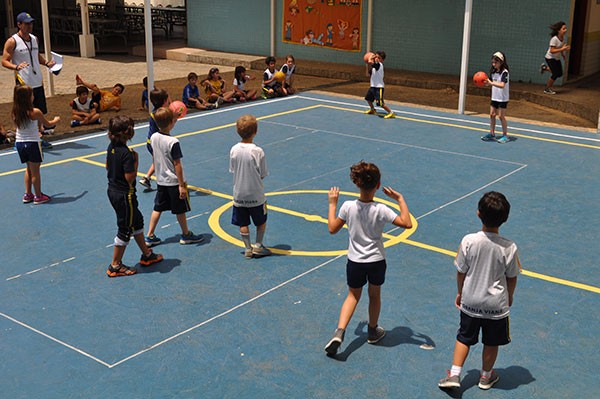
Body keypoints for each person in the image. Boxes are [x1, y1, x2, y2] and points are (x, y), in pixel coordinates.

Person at [324, 161, 412, 355]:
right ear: (378, 186)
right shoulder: (381, 209)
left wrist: (332, 204)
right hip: (376, 261)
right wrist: (400, 199)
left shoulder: (347, 207)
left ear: (357, 183)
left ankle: (339, 332)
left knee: (353, 295)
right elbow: (407, 223)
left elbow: (332, 228)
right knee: (374, 295)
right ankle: (373, 331)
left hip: (355, 261)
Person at [438, 191, 520, 391]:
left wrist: (460, 292)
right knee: (492, 342)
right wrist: (509, 296)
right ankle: (486, 377)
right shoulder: (509, 247)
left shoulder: (468, 241)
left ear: (478, 213)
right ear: (505, 218)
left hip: (471, 301)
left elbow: (461, 272)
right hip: (496, 305)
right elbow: (512, 277)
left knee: (464, 337)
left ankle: (455, 374)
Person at [105, 115, 164, 278]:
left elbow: (107, 166)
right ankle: (115, 265)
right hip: (125, 195)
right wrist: (135, 161)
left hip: (113, 190)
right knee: (125, 229)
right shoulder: (127, 154)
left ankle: (146, 254)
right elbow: (129, 178)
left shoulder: (111, 147)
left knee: (137, 221)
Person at [144, 107, 204, 247]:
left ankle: (150, 235)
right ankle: (186, 234)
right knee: (180, 210)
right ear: (172, 122)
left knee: (157, 208)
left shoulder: (153, 137)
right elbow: (177, 165)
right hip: (173, 182)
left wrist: (174, 117)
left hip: (160, 180)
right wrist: (182, 185)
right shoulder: (173, 142)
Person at [2, 12, 56, 145]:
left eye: (30, 23)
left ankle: (39, 137)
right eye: (26, 23)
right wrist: (16, 66)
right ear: (19, 24)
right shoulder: (12, 41)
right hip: (23, 83)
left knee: (38, 111)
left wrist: (46, 63)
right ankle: (21, 139)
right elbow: (4, 61)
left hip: (37, 80)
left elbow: (36, 56)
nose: (29, 26)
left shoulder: (34, 39)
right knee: (23, 112)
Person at [229, 114, 271, 258]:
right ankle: (258, 245)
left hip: (239, 194)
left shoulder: (234, 149)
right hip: (256, 194)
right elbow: (263, 173)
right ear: (255, 132)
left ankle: (247, 248)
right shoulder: (257, 151)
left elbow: (233, 169)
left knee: (243, 222)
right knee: (261, 221)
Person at [12, 85, 60, 204]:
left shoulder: (15, 112)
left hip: (20, 143)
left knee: (28, 169)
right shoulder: (35, 112)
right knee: (35, 172)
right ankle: (38, 196)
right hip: (32, 143)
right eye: (32, 94)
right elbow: (48, 124)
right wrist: (56, 120)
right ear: (28, 98)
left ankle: (28, 194)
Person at [139, 88, 170, 190]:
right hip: (156, 143)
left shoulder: (156, 112)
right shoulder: (160, 114)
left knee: (157, 161)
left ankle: (147, 178)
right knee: (165, 161)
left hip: (151, 142)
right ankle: (165, 181)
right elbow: (166, 126)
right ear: (165, 101)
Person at [481, 52, 510, 144]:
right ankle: (492, 133)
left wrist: (491, 83)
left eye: (495, 63)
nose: (493, 64)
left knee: (501, 116)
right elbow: (491, 82)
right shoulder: (493, 72)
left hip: (503, 98)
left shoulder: (505, 73)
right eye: (492, 62)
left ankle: (505, 135)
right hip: (495, 97)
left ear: (501, 62)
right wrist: (484, 83)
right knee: (492, 114)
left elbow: (502, 85)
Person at [540, 21, 571, 95]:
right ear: (558, 30)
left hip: (556, 58)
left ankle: (545, 68)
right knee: (555, 74)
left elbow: (560, 47)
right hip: (550, 58)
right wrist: (563, 49)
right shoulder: (554, 39)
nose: (565, 30)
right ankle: (547, 89)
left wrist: (563, 55)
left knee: (559, 73)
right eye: (563, 29)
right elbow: (552, 50)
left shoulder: (563, 38)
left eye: (566, 28)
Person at [364, 51, 395, 119]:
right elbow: (369, 73)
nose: (376, 58)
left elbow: (370, 62)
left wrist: (370, 58)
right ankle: (372, 109)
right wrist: (369, 63)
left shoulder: (379, 65)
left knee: (380, 103)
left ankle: (391, 112)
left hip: (379, 87)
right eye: (376, 57)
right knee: (368, 99)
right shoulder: (374, 67)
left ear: (382, 60)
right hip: (373, 86)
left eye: (379, 58)